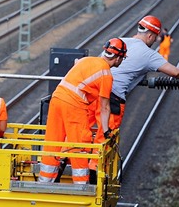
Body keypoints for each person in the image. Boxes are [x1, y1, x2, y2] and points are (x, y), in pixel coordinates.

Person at [89, 16, 179, 169]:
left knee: (86, 131)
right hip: (113, 100)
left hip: (93, 92)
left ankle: (74, 166)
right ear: (151, 35)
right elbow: (176, 73)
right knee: (105, 137)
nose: (154, 42)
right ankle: (94, 174)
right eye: (154, 38)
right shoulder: (149, 54)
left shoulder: (119, 41)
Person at [38, 38, 127, 184]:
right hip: (74, 104)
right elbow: (104, 107)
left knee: (53, 141)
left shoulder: (85, 61)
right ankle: (81, 185)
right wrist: (106, 131)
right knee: (78, 144)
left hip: (56, 98)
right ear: (118, 58)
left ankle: (44, 183)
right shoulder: (106, 74)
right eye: (122, 59)